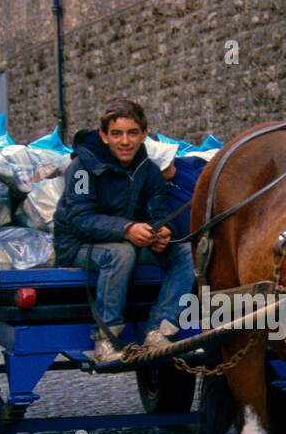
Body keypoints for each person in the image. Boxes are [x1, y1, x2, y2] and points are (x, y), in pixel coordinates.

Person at [53, 99, 195, 364]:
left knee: (187, 252)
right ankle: (106, 340)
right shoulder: (82, 169)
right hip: (77, 246)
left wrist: (162, 232)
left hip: (129, 243)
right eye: (116, 134)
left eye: (132, 133)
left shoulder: (149, 171)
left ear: (143, 135)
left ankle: (159, 332)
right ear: (104, 137)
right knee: (121, 253)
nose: (125, 141)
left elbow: (158, 212)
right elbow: (79, 219)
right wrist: (127, 229)